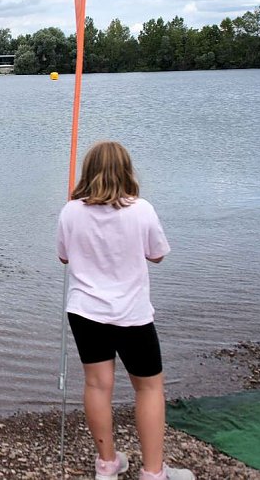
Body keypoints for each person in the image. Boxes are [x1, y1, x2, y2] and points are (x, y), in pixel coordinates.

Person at [56, 141, 194, 480]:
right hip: (131, 313)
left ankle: (107, 465)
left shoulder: (71, 211)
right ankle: (152, 472)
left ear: (88, 172)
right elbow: (157, 254)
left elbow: (64, 257)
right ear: (126, 171)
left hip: (85, 312)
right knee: (148, 388)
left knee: (98, 385)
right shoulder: (141, 209)